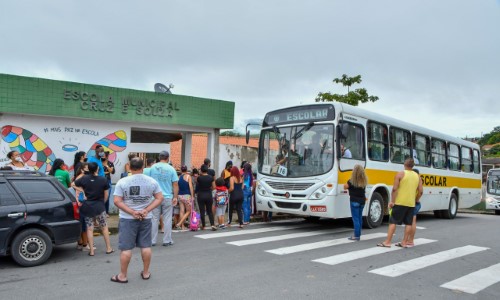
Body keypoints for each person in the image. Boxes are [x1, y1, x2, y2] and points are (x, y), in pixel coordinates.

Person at [111, 157, 164, 283]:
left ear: (129, 166)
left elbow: (117, 201)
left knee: (126, 249)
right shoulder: (151, 181)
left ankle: (123, 276)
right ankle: (146, 273)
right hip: (145, 218)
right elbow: (159, 198)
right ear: (143, 167)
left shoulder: (122, 182)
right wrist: (146, 210)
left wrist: (132, 212)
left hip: (127, 218)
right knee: (146, 246)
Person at [377, 158, 423, 248]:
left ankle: (388, 242)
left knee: (393, 221)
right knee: (408, 223)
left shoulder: (400, 174)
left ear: (404, 164)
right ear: (413, 166)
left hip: (400, 202)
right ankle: (404, 242)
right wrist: (416, 200)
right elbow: (420, 191)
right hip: (411, 203)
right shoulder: (418, 177)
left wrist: (392, 202)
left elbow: (394, 189)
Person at [73, 162, 113, 256]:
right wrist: (102, 202)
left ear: (88, 169)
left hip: (87, 207)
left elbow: (72, 184)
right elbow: (106, 194)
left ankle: (91, 251)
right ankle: (108, 248)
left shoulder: (84, 179)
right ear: (97, 169)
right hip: (99, 207)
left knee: (89, 229)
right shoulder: (103, 180)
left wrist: (82, 190)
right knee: (104, 227)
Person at [148, 151, 179, 246]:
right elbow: (175, 184)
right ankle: (167, 240)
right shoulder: (171, 169)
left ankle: (152, 241)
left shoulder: (153, 168)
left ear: (159, 157)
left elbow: (149, 182)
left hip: (155, 197)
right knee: (168, 219)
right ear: (167, 158)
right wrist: (175, 197)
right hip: (167, 197)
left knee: (154, 219)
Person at [343, 165, 368, 241]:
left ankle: (356, 236)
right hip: (362, 201)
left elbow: (345, 187)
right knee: (359, 218)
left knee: (355, 219)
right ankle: (358, 234)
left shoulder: (351, 181)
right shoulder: (364, 181)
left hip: (354, 201)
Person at [404, 168, 423, 247]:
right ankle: (410, 239)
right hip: (415, 202)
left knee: (412, 221)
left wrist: (416, 199)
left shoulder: (416, 180)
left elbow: (420, 192)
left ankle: (410, 240)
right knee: (412, 221)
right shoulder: (418, 180)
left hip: (413, 202)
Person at [73, 162, 89, 251]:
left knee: (82, 224)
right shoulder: (81, 177)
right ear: (82, 169)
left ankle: (81, 243)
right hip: (81, 203)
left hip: (80, 203)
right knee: (84, 225)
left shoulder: (80, 176)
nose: (88, 169)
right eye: (87, 168)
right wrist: (82, 191)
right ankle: (85, 244)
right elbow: (73, 184)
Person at [197, 164, 216, 230]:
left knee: (202, 211)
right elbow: (214, 187)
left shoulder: (199, 178)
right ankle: (212, 225)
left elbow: (197, 187)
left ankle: (203, 225)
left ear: (201, 170)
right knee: (209, 211)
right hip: (208, 195)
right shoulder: (211, 177)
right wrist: (209, 188)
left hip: (201, 195)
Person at [175, 165, 194, 230]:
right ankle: (179, 223)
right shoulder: (188, 176)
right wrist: (192, 195)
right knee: (188, 211)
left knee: (182, 211)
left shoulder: (179, 177)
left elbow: (177, 187)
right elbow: (190, 186)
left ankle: (182, 226)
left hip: (180, 195)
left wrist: (176, 196)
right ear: (186, 170)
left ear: (181, 170)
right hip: (187, 195)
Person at [102, 151, 115, 216]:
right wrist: (106, 172)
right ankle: (101, 212)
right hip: (100, 181)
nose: (102, 157)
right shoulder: (99, 163)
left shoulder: (110, 163)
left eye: (104, 155)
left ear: (107, 156)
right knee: (100, 197)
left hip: (108, 181)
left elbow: (112, 171)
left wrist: (106, 166)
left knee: (107, 197)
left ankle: (106, 212)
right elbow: (99, 172)